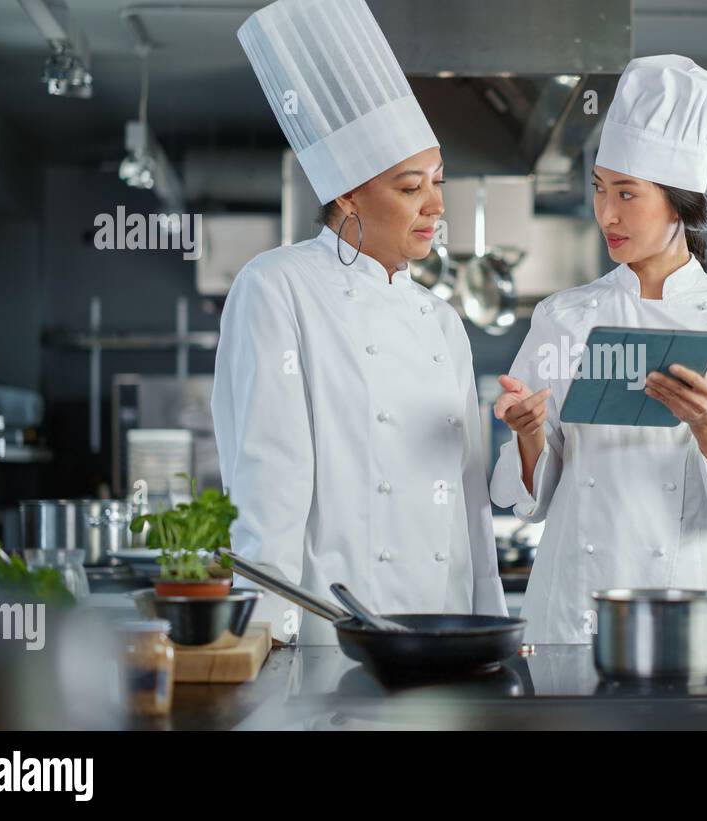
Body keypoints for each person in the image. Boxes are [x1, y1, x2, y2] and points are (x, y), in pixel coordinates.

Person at [213, 0, 505, 645]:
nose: (435, 205)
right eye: (409, 188)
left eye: (437, 181)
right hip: (334, 634)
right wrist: (265, 640)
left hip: (444, 631)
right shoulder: (276, 286)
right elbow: (270, 481)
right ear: (347, 194)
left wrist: (489, 627)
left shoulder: (441, 319)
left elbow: (468, 501)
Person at [489, 55, 707, 644]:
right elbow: (530, 498)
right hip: (576, 603)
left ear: (679, 204)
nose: (606, 213)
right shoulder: (564, 315)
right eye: (600, 190)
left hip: (690, 597)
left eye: (627, 194)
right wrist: (527, 433)